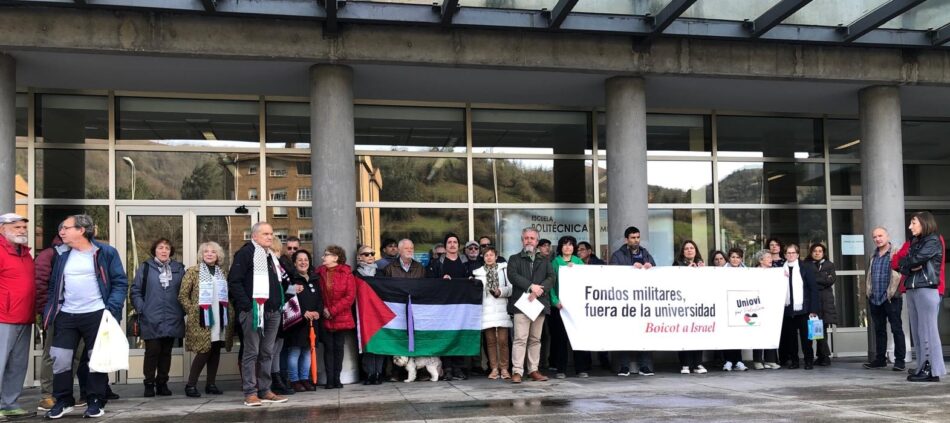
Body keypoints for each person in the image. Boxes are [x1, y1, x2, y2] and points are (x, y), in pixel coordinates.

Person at [43, 214, 127, 419]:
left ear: (81, 230)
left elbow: (119, 282)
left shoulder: (105, 252)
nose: (61, 231)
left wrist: (111, 308)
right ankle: (63, 401)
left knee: (95, 359)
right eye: (60, 228)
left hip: (97, 314)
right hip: (66, 316)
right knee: (60, 359)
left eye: (66, 228)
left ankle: (95, 400)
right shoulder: (61, 254)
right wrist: (52, 310)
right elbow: (54, 285)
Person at [227, 221, 289, 407]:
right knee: (251, 352)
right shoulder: (246, 253)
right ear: (254, 236)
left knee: (267, 352)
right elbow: (234, 282)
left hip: (272, 312)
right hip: (253, 311)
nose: (270, 237)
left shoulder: (270, 256)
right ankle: (250, 392)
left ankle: (265, 390)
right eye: (265, 234)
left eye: (271, 234)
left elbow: (280, 281)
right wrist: (246, 306)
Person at [131, 238, 186, 398]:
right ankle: (149, 384)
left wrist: (182, 310)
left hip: (172, 316)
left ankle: (162, 383)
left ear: (171, 251)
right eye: (160, 248)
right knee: (152, 351)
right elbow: (135, 290)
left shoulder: (178, 268)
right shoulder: (146, 267)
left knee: (166, 352)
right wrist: (143, 309)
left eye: (167, 248)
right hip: (151, 317)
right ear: (155, 250)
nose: (164, 251)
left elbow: (185, 291)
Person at [178, 241, 234, 397]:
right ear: (201, 255)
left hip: (219, 316)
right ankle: (190, 385)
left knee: (215, 351)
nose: (209, 254)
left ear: (218, 255)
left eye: (213, 252)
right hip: (202, 318)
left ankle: (211, 384)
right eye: (206, 252)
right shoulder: (193, 271)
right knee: (204, 351)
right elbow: (183, 295)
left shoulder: (221, 272)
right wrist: (193, 311)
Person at [897, 211, 946, 382]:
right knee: (918, 331)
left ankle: (932, 369)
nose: (910, 227)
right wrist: (909, 265)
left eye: (913, 223)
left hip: (926, 288)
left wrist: (909, 263)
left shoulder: (932, 240)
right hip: (913, 287)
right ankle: (922, 366)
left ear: (924, 223)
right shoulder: (916, 241)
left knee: (928, 331)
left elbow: (913, 260)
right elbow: (901, 262)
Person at [506, 227, 554, 384]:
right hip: (521, 305)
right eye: (526, 238)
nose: (529, 240)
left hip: (538, 304)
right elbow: (513, 276)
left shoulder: (545, 260)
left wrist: (540, 289)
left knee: (535, 339)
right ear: (522, 240)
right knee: (520, 338)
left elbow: (552, 277)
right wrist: (531, 286)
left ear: (537, 241)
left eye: (532, 238)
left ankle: (533, 369)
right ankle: (517, 371)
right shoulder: (514, 259)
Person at [0, 213, 34, 418]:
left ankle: (9, 403)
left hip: (25, 316)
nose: (22, 231)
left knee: (18, 363)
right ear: (2, 229)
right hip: (4, 316)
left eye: (23, 227)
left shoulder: (25, 253)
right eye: (16, 227)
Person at [610, 226, 656, 377]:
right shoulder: (618, 255)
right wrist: (630, 268)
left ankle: (644, 366)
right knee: (625, 333)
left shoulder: (646, 254)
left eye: (637, 237)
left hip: (643, 301)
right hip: (625, 301)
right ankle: (624, 366)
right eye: (633, 237)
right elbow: (613, 274)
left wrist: (651, 267)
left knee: (644, 333)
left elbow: (656, 273)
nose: (636, 240)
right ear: (626, 239)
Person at [427, 233, 474, 380]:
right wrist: (441, 280)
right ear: (445, 245)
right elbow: (430, 282)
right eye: (449, 242)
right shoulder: (437, 263)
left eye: (455, 242)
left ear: (458, 246)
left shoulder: (467, 262)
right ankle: (447, 368)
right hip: (444, 305)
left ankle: (458, 368)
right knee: (446, 336)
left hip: (462, 305)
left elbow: (475, 278)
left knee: (459, 336)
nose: (452, 245)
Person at [863, 227, 905, 371]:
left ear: (887, 236)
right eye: (874, 237)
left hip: (891, 298)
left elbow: (901, 274)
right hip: (875, 298)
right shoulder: (873, 255)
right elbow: (870, 275)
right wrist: (869, 292)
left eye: (880, 236)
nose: (877, 239)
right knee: (879, 330)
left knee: (896, 329)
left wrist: (896, 292)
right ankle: (880, 359)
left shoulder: (896, 253)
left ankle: (900, 360)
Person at [549, 236, 590, 378]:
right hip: (560, 307)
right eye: (565, 245)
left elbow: (585, 281)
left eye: (571, 245)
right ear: (560, 247)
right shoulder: (555, 262)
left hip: (576, 308)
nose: (568, 247)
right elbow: (551, 285)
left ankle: (581, 369)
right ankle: (561, 369)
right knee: (561, 339)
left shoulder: (579, 262)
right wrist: (555, 301)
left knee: (577, 337)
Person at [318, 245, 357, 389]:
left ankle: (337, 379)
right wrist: (323, 309)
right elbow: (317, 294)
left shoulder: (347, 273)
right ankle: (329, 380)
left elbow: (349, 297)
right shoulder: (319, 273)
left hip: (341, 316)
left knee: (338, 348)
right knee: (328, 348)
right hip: (325, 316)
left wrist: (333, 310)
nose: (323, 257)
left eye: (326, 254)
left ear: (335, 257)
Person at [777, 243, 820, 370]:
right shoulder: (780, 269)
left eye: (793, 253)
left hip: (804, 309)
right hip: (787, 309)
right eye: (788, 253)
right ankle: (794, 361)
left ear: (797, 254)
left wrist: (813, 309)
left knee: (806, 338)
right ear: (784, 255)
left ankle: (808, 361)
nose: (790, 255)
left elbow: (813, 290)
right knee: (790, 338)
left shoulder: (805, 267)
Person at [472, 246, 512, 380]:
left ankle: (505, 369)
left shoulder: (504, 270)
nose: (489, 257)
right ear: (483, 258)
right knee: (490, 342)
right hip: (486, 310)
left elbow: (511, 289)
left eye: (491, 255)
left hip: (502, 309)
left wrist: (500, 291)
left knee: (503, 341)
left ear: (496, 256)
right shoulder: (477, 273)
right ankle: (494, 368)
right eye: (486, 255)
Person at [286, 249, 323, 391]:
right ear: (294, 263)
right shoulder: (290, 280)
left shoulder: (314, 278)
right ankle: (294, 380)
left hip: (312, 322)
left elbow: (320, 299)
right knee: (295, 352)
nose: (303, 262)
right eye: (300, 260)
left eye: (306, 259)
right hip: (297, 322)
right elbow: (288, 300)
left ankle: (304, 378)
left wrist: (318, 312)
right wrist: (303, 312)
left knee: (308, 351)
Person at [673, 240, 706, 374]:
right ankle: (685, 364)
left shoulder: (701, 264)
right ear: (682, 252)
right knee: (684, 334)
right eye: (686, 248)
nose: (689, 250)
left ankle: (698, 363)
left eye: (692, 248)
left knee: (698, 333)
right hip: (682, 305)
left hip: (698, 306)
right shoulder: (677, 265)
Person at [267, 238, 295, 396]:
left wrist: (292, 289)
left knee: (278, 347)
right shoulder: (269, 265)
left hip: (283, 309)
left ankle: (277, 377)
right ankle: (272, 379)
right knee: (270, 348)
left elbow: (285, 285)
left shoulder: (280, 266)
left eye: (277, 251)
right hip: (271, 310)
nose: (275, 254)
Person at [354, 245, 385, 385]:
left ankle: (379, 373)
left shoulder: (381, 274)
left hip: (379, 314)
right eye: (366, 254)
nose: (371, 255)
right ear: (359, 257)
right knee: (367, 344)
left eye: (372, 253)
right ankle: (369, 373)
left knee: (379, 343)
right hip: (363, 313)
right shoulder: (355, 274)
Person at [807, 243, 837, 367]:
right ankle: (823, 356)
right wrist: (822, 279)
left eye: (820, 251)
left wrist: (815, 279)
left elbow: (831, 280)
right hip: (813, 301)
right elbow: (808, 281)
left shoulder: (829, 264)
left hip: (826, 301)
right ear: (811, 252)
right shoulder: (806, 264)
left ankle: (823, 356)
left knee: (822, 329)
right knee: (816, 329)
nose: (817, 253)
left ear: (824, 252)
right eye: (815, 251)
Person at [750, 249, 781, 370]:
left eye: (770, 257)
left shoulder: (775, 273)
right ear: (760, 260)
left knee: (771, 331)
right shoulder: (753, 272)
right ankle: (757, 360)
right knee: (758, 332)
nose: (771, 259)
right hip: (756, 306)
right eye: (768, 257)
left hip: (771, 306)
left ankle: (770, 360)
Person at [721, 247, 748, 372]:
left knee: (739, 335)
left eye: (738, 257)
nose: (735, 259)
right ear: (729, 258)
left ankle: (738, 361)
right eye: (733, 257)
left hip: (741, 307)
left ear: (741, 259)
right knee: (727, 335)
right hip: (726, 305)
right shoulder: (721, 271)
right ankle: (728, 361)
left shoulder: (747, 271)